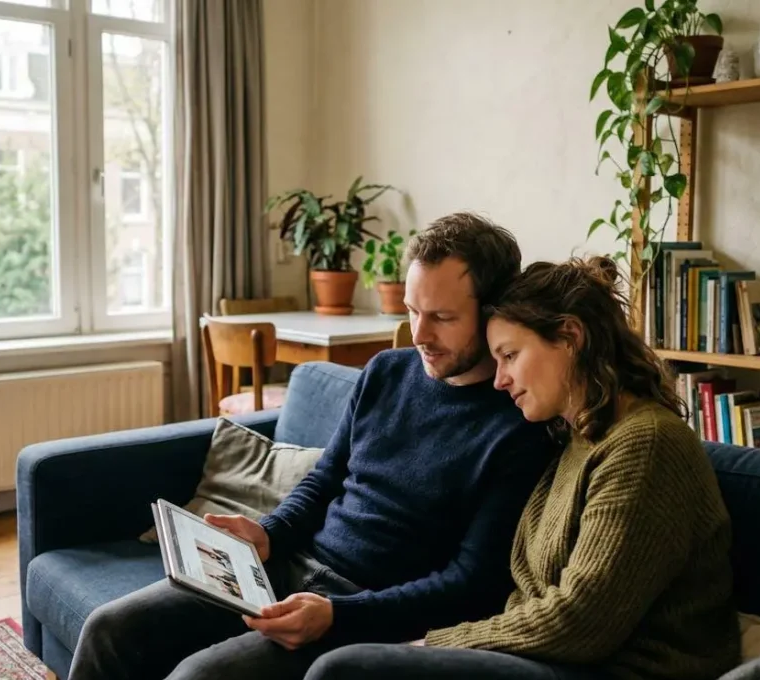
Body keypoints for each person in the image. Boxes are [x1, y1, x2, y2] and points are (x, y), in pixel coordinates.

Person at [64, 213, 562, 680]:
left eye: (443, 317)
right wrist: (268, 535)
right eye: (412, 311)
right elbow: (326, 479)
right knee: (111, 628)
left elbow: (471, 583)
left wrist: (338, 615)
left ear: (493, 311)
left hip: (363, 604)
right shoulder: (386, 372)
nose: (420, 333)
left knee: (198, 676)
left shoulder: (517, 425)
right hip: (284, 566)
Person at [304, 257, 741, 680]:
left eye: (509, 356)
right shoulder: (574, 439)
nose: (499, 380)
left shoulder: (646, 444)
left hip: (614, 669)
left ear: (570, 338)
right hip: (550, 660)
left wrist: (427, 646)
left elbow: (580, 623)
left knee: (343, 669)